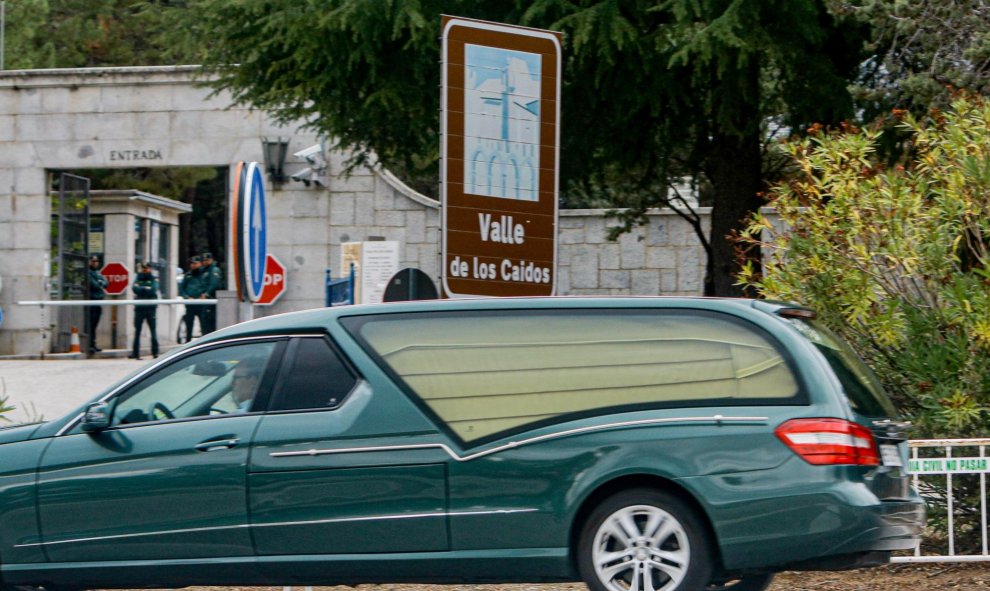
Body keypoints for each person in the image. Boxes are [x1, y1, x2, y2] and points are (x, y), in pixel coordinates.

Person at [130, 262, 160, 360]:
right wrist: (146, 288)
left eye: (146, 268)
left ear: (150, 269)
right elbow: (134, 288)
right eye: (143, 268)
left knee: (153, 332)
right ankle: (135, 353)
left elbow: (153, 290)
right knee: (137, 332)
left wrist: (141, 288)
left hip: (150, 309)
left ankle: (155, 353)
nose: (145, 270)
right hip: (139, 309)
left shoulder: (154, 279)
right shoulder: (138, 277)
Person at [179, 256, 207, 341]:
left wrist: (204, 295)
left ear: (200, 264)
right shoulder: (188, 275)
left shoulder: (204, 275)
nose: (193, 265)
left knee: (204, 326)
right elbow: (181, 289)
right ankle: (188, 343)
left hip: (201, 304)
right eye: (192, 264)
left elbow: (207, 286)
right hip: (190, 304)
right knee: (189, 326)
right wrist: (187, 297)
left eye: (195, 263)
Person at [86, 255, 108, 354]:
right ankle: (90, 345)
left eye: (96, 261)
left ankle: (93, 344)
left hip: (98, 302)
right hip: (91, 301)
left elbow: (106, 283)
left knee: (94, 325)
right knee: (90, 325)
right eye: (93, 261)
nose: (95, 263)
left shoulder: (98, 273)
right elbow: (94, 285)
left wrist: (101, 283)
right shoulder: (88, 273)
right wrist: (100, 283)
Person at [201, 252, 223, 334]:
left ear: (212, 260)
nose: (205, 262)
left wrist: (206, 293)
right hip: (205, 301)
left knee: (210, 323)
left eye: (207, 260)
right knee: (205, 322)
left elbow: (214, 284)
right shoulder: (204, 270)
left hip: (211, 300)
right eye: (204, 260)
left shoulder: (214, 270)